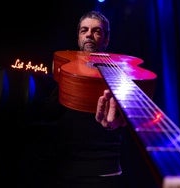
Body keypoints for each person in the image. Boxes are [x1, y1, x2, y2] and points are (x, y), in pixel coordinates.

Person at [48, 10, 127, 188]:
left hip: (104, 172)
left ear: (106, 39)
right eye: (84, 30)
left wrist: (119, 120)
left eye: (96, 31)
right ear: (78, 37)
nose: (89, 35)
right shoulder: (66, 69)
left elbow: (124, 117)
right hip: (66, 170)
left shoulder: (118, 72)